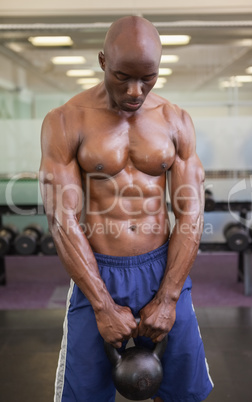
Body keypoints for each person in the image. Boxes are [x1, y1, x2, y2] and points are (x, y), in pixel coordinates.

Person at [39, 15, 213, 402]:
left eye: (147, 78)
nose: (136, 91)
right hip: (97, 270)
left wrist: (168, 298)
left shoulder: (175, 121)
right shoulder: (67, 120)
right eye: (122, 77)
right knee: (83, 395)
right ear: (103, 61)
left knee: (184, 393)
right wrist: (101, 305)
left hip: (164, 267)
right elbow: (62, 219)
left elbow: (191, 215)